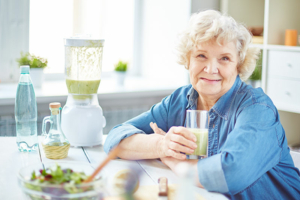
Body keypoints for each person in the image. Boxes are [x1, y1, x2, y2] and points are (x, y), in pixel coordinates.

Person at [104, 10, 300, 199]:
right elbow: (115, 139)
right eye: (201, 56)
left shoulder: (257, 109)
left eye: (224, 58)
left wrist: (175, 162)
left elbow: (230, 174)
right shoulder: (180, 100)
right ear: (187, 60)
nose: (211, 68)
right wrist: (162, 145)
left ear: (238, 65)